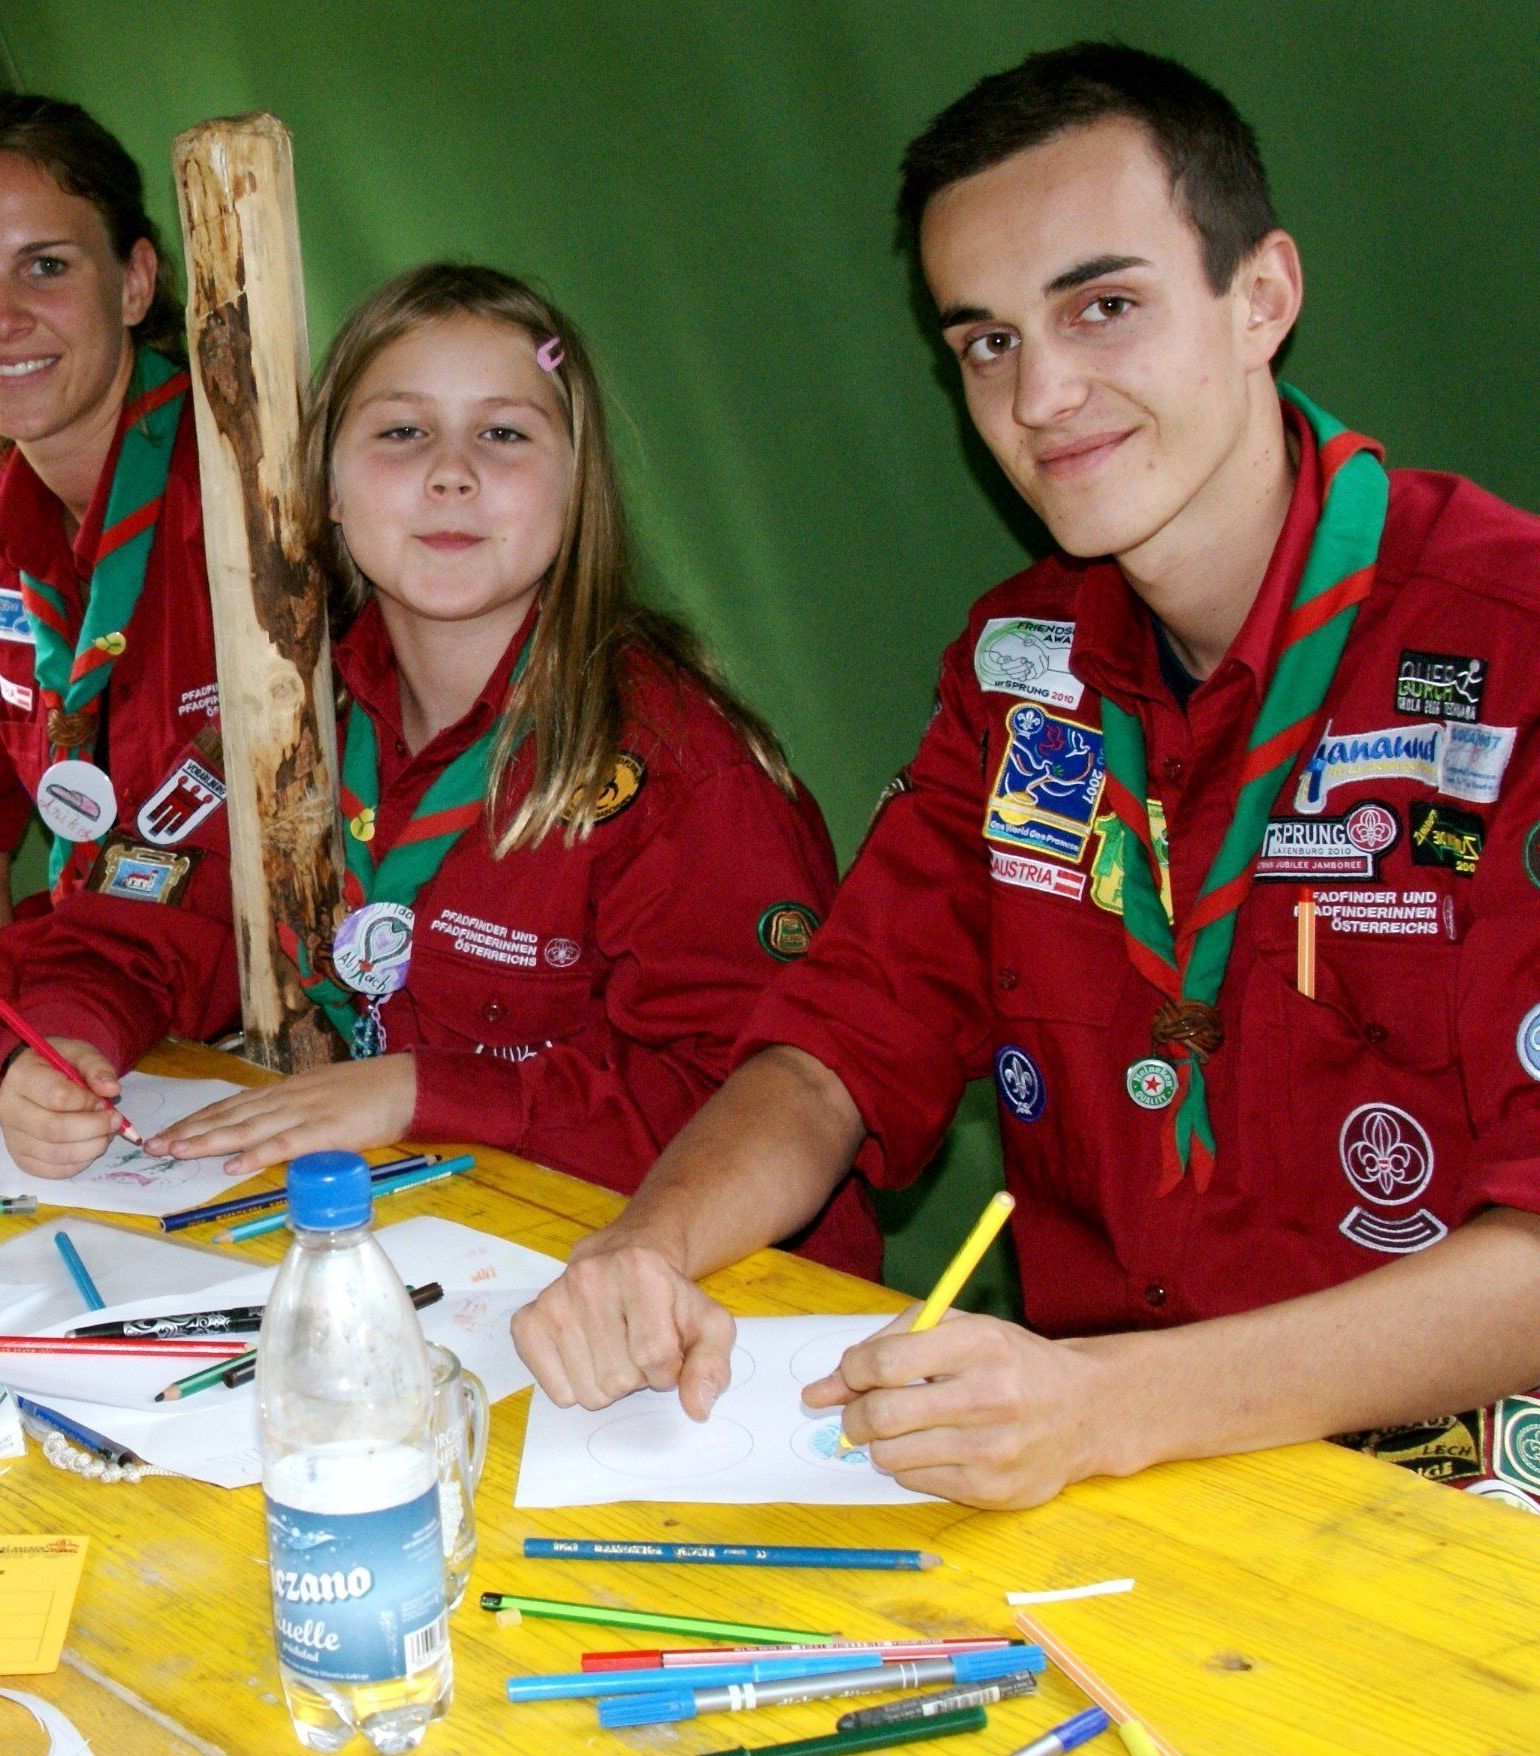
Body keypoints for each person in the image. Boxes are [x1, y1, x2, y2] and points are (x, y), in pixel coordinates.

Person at [510, 43, 1540, 1511]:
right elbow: (837, 1045)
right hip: (1105, 1485)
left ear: (1261, 298)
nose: (1042, 394)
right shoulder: (1018, 669)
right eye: (986, 342)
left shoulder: (1511, 639)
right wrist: (645, 1247)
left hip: (1455, 1507)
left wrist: (1108, 1406)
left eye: (1102, 306)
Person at [148, 266, 875, 1276]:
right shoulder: (290, 715)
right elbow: (153, 910)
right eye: (403, 431)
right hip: (429, 1247)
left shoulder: (684, 774)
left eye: (503, 433)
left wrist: (423, 1092)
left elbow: (759, 1101)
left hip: (701, 1295)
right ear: (327, 485)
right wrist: (69, 1027)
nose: (452, 473)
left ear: (577, 488)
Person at [0, 94, 239, 1178]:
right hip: (96, 1033)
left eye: (45, 266)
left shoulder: (250, 480)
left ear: (134, 282)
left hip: (276, 1026)